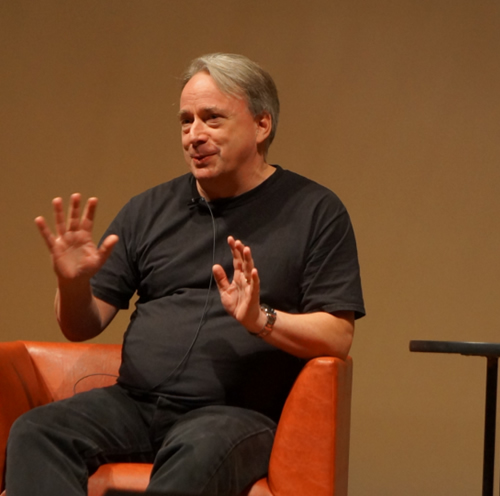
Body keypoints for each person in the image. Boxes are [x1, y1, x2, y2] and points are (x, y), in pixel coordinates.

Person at [7, 53, 365, 495]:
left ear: (262, 125)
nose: (194, 135)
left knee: (196, 451)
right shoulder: (148, 209)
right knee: (37, 433)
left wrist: (261, 320)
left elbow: (337, 336)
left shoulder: (315, 211)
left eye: (212, 119)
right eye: (186, 121)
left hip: (234, 416)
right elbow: (81, 326)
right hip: (133, 403)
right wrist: (72, 282)